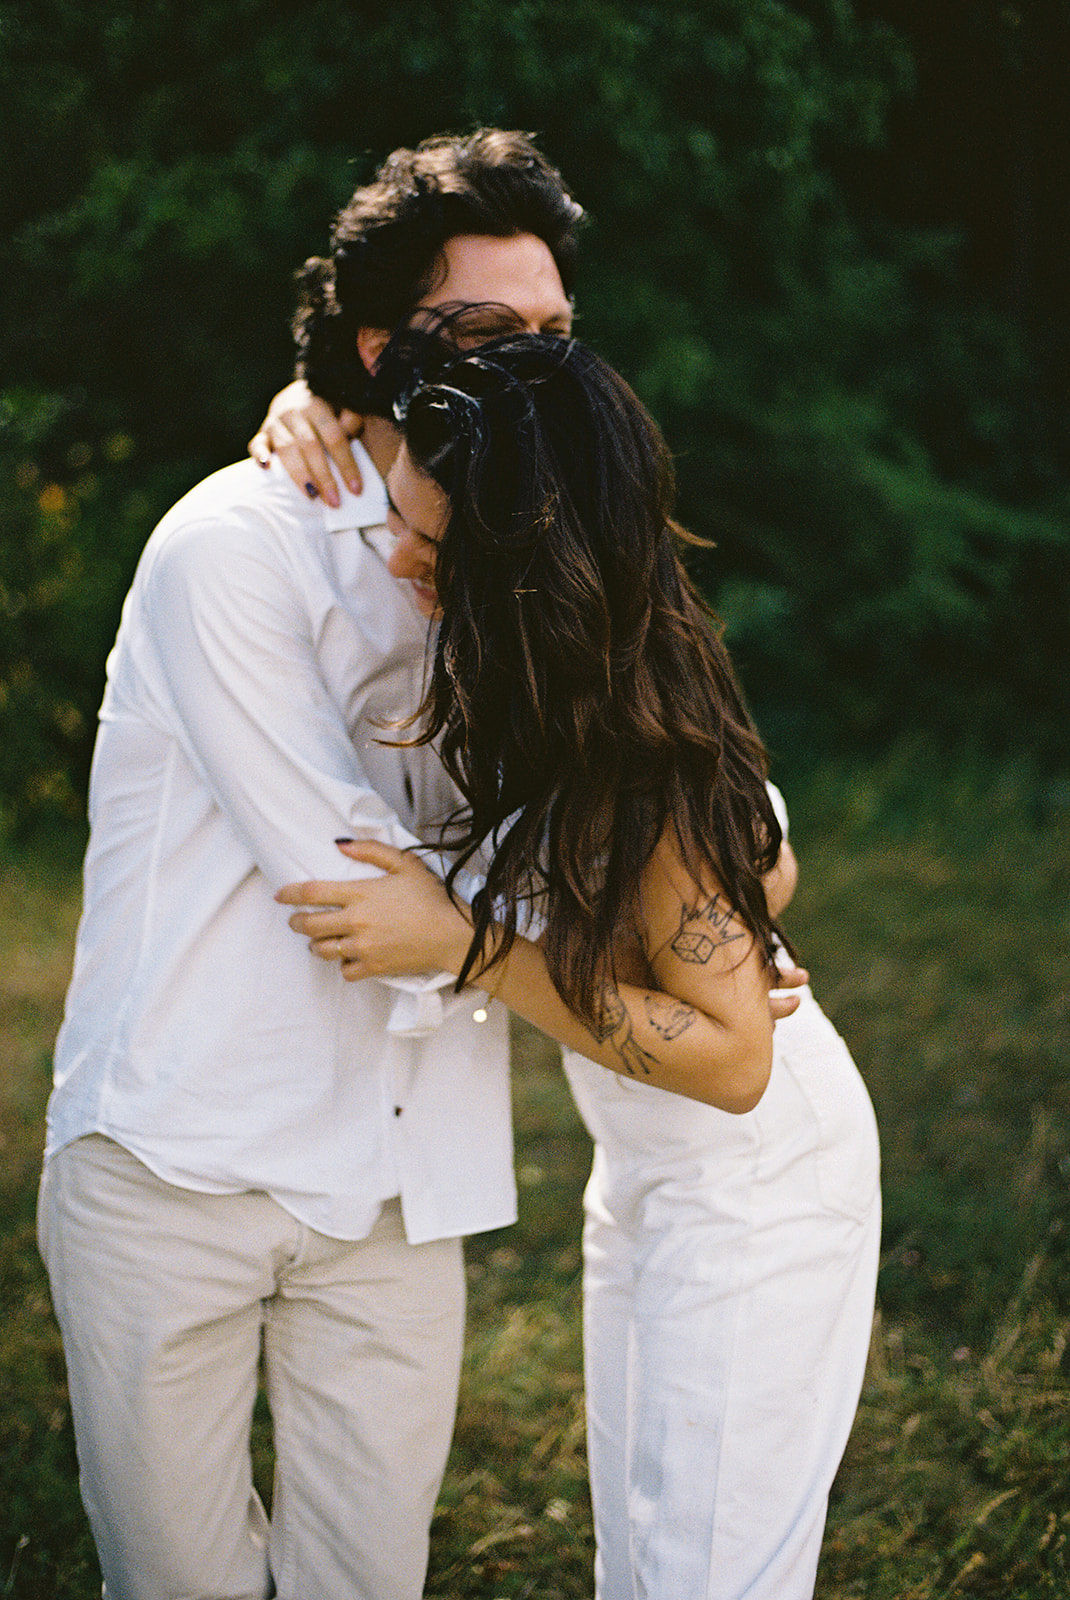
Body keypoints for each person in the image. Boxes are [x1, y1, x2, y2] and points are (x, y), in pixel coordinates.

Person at [38, 131, 591, 1600]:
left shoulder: (535, 564)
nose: (531, 366)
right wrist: (548, 929)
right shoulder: (234, 543)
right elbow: (345, 879)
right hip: (184, 1161)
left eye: (555, 337)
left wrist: (497, 913)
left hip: (403, 1181)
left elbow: (607, 806)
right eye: (485, 335)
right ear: (380, 346)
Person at [277, 332, 882, 1600]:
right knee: (644, 1562)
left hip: (753, 1184)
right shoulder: (567, 676)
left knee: (702, 1575)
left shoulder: (629, 744)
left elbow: (730, 1059)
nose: (400, 558)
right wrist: (301, 405)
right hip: (649, 1173)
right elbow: (760, 856)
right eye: (401, 519)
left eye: (433, 547)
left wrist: (473, 946)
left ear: (520, 564)